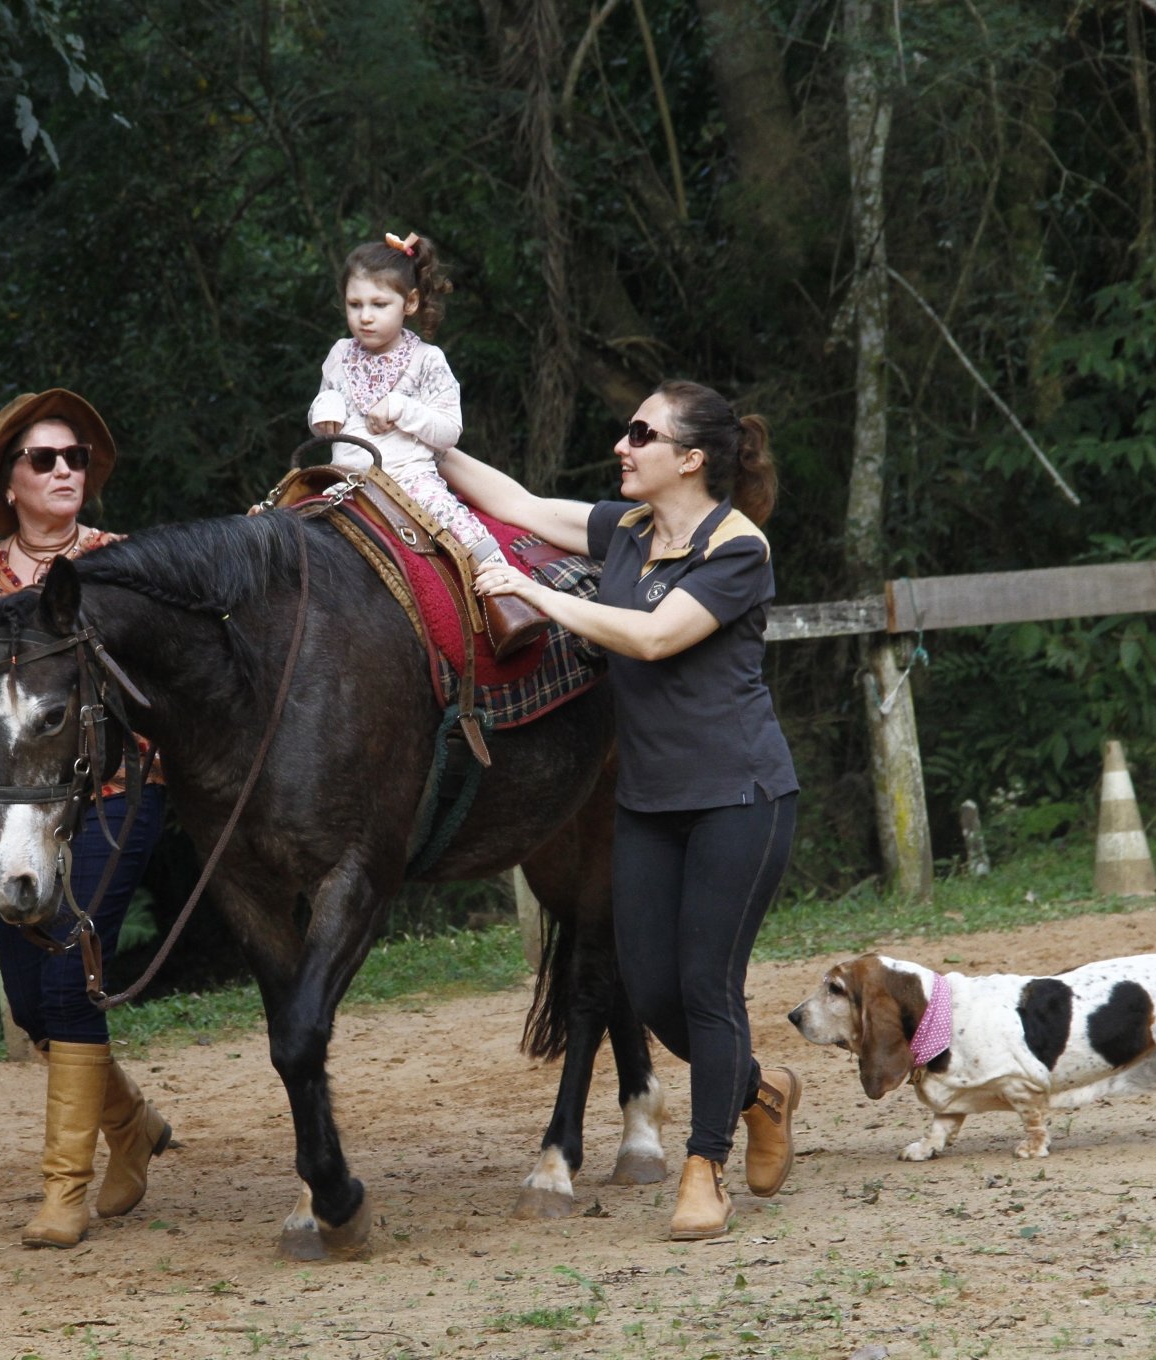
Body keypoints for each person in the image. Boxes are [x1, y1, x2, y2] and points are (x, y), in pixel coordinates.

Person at [441, 380, 801, 1241]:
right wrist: (416, 437)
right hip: (650, 803)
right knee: (646, 988)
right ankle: (761, 1089)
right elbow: (518, 502)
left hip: (739, 800)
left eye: (642, 433)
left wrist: (535, 591)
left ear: (691, 458)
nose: (622, 444)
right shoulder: (628, 530)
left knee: (708, 989)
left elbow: (652, 637)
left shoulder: (737, 549)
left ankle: (703, 1165)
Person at [0, 388, 170, 1250]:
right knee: (30, 1005)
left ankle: (66, 1191)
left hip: (115, 793)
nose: (66, 470)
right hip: (6, 800)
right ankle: (131, 1125)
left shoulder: (124, 564)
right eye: (45, 459)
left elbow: (169, 680)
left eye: (77, 459)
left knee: (69, 973)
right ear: (10, 481)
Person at [307, 231, 543, 653]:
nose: (365, 317)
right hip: (346, 481)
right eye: (355, 304)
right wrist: (322, 410)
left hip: (408, 479)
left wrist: (402, 408)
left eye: (380, 305)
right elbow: (328, 400)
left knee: (461, 529)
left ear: (410, 303)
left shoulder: (426, 360)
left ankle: (509, 602)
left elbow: (449, 430)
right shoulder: (339, 354)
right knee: (291, 523)